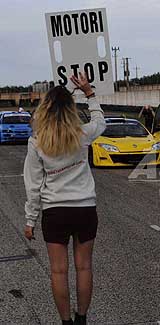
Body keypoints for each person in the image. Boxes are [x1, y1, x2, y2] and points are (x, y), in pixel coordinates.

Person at [23, 73, 106, 325]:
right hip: (84, 209)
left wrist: (30, 220)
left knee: (59, 271)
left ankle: (66, 322)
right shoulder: (82, 134)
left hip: (54, 212)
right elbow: (101, 122)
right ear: (71, 110)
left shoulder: (37, 142)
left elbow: (33, 185)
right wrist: (89, 94)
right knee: (84, 267)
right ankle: (81, 318)